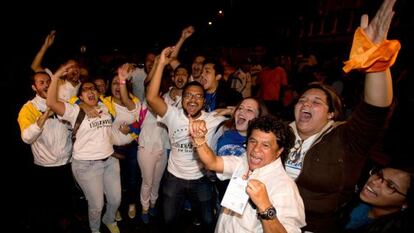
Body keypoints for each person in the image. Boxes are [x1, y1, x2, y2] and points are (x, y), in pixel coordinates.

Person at [283, 0, 401, 232]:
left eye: (316, 102)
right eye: (303, 100)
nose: (306, 103)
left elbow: (374, 110)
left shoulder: (346, 138)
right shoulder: (284, 132)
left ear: (331, 114)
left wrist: (375, 60)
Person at [146, 47, 226, 232]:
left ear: (204, 102)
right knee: (168, 220)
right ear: (182, 99)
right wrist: (161, 65)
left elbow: (247, 118)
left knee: (208, 221)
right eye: (188, 95)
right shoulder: (172, 115)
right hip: (174, 178)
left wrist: (232, 110)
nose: (193, 99)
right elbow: (151, 97)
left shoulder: (213, 119)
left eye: (198, 96)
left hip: (201, 179)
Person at [46, 63, 133, 233]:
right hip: (86, 166)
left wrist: (125, 133)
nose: (90, 91)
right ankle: (95, 229)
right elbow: (51, 102)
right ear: (80, 96)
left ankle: (109, 220)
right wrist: (56, 77)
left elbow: (110, 132)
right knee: (97, 205)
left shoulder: (105, 108)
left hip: (109, 161)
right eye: (85, 89)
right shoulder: (74, 110)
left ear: (98, 93)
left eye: (93, 88)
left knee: (115, 200)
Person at [189, 115, 306, 233]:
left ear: (279, 152)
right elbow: (212, 162)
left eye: (265, 145)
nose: (255, 149)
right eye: (253, 141)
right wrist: (199, 139)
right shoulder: (243, 161)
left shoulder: (285, 188)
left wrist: (265, 207)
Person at [17, 71, 74, 232]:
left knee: (66, 208)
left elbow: (73, 127)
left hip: (66, 164)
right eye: (41, 82)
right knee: (48, 212)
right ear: (34, 87)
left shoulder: (62, 103)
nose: (47, 85)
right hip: (44, 168)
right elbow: (27, 137)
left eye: (48, 81)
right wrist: (45, 115)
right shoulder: (28, 108)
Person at [343, 164, 413, 232]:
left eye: (390, 185)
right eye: (379, 174)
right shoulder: (351, 198)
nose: (374, 181)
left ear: (405, 203)